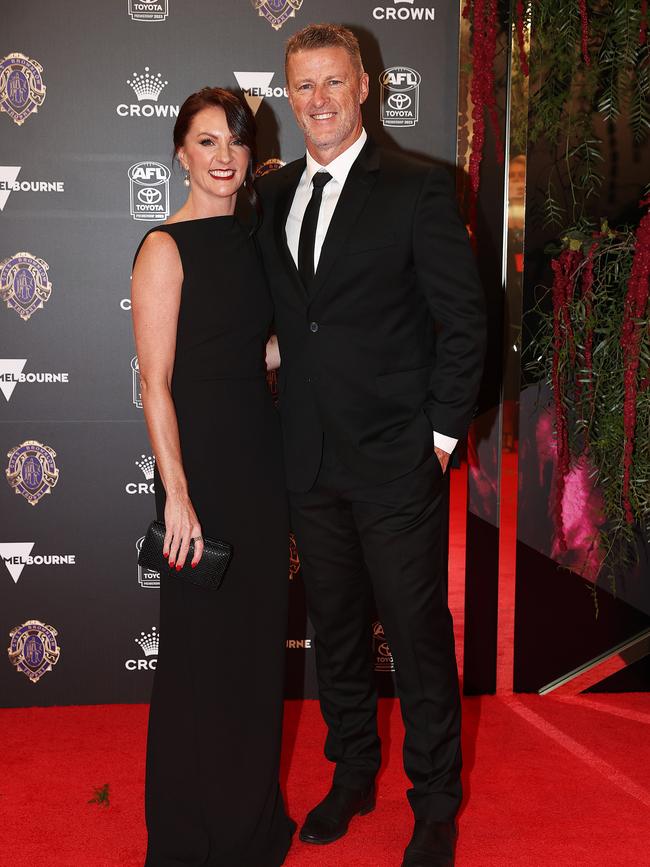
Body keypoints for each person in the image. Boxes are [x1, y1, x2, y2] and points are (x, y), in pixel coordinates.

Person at [255, 24, 486, 867]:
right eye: (301, 86)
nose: (316, 100)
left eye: (331, 83)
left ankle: (434, 803)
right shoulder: (273, 194)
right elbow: (292, 322)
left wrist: (434, 440)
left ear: (363, 89)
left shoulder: (420, 189)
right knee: (336, 629)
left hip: (395, 458)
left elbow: (465, 324)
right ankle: (351, 770)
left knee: (418, 634)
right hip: (309, 457)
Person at [131, 87, 294, 867]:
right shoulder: (164, 246)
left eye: (233, 139)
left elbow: (247, 351)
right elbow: (155, 381)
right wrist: (179, 495)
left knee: (257, 652)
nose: (223, 155)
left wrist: (312, 349)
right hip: (198, 469)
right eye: (205, 141)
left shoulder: (259, 239)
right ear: (181, 152)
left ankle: (250, 825)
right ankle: (191, 832)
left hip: (258, 461)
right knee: (198, 656)